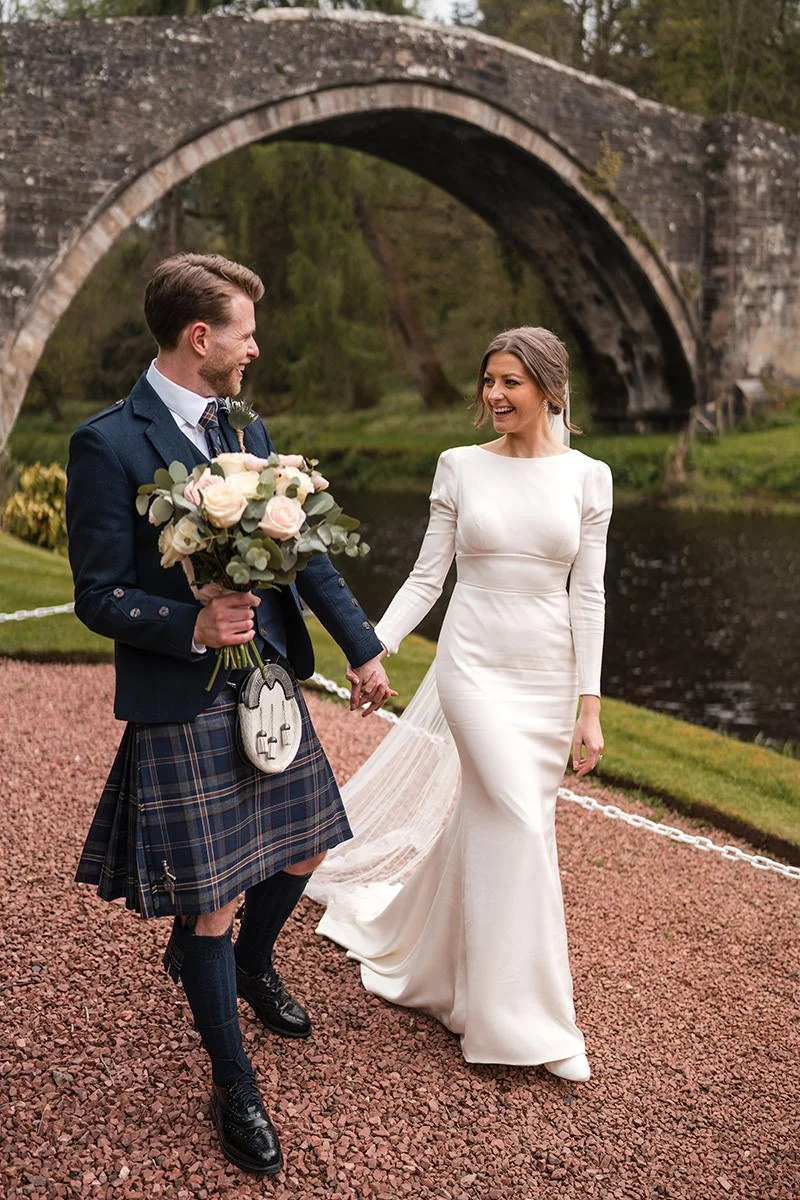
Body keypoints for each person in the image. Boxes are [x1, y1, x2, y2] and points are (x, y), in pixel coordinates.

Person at [66, 253, 393, 1176]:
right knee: (207, 902)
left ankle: (250, 965)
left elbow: (307, 552)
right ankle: (234, 1084)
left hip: (271, 679)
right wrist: (193, 623)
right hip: (184, 695)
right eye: (245, 332)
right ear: (200, 337)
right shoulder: (109, 442)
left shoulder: (242, 423)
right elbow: (97, 596)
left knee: (306, 846)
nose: (257, 347)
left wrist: (361, 645)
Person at [310, 326, 612, 1082]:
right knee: (516, 817)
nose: (494, 395)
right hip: (472, 666)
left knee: (501, 820)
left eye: (511, 381)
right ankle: (525, 1024)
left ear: (548, 386)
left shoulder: (590, 478)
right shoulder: (459, 467)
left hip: (546, 674)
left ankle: (445, 972)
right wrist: (369, 646)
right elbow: (424, 580)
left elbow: (590, 596)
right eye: (488, 381)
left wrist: (590, 704)